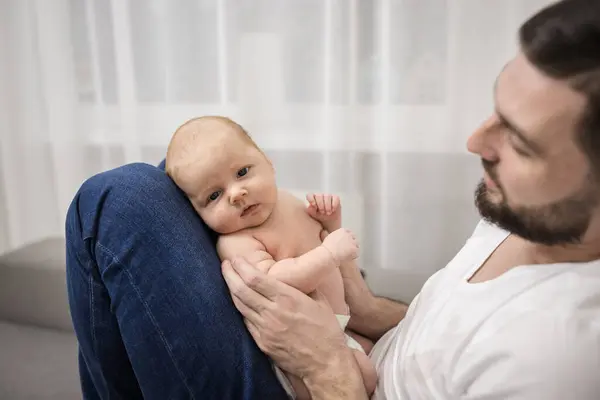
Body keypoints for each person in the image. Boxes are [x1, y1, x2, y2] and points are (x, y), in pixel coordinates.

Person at [65, 0, 600, 398]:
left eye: (521, 144)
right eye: (496, 109)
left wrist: (327, 369)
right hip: (342, 336)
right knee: (190, 166)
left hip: (324, 381)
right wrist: (367, 310)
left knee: (119, 201)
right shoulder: (528, 213)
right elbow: (450, 335)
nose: (476, 143)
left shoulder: (555, 359)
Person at [163, 116, 377, 398]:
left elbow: (319, 237)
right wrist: (330, 253)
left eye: (242, 173)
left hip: (334, 326)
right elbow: (276, 282)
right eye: (214, 195)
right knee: (368, 376)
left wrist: (330, 222)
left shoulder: (283, 200)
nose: (237, 194)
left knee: (372, 351)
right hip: (297, 350)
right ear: (197, 213)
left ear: (268, 162)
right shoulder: (236, 242)